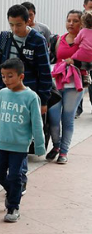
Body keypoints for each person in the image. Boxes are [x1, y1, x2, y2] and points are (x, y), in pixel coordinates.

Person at [0, 4, 53, 191]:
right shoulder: (3, 38)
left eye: (18, 25)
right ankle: (13, 181)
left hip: (28, 96)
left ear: (28, 21)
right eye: (11, 24)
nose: (15, 29)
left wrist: (44, 100)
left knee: (22, 137)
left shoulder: (37, 40)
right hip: (4, 93)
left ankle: (19, 178)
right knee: (5, 130)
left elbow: (44, 72)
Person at [0, 58, 45, 223]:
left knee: (15, 176)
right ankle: (13, 193)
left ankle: (13, 206)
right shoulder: (3, 93)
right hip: (2, 143)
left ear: (21, 76)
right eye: (3, 76)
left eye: (10, 76)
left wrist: (39, 146)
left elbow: (37, 124)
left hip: (20, 146)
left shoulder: (31, 97)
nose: (6, 80)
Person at [48, 10, 87, 165]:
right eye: (68, 20)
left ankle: (64, 151)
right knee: (53, 117)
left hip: (74, 85)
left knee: (67, 119)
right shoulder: (58, 39)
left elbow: (89, 64)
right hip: (57, 82)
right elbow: (51, 58)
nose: (71, 23)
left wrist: (74, 62)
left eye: (75, 21)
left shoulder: (86, 41)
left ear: (82, 23)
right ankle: (56, 146)